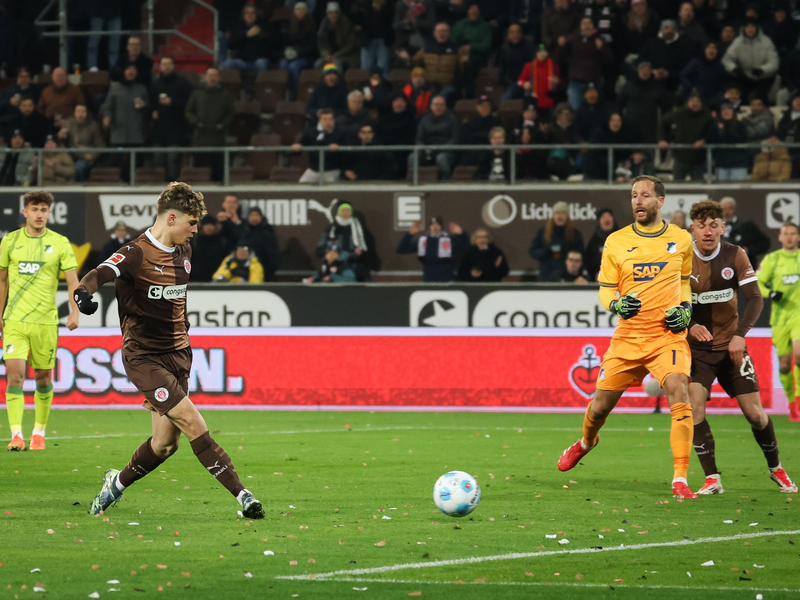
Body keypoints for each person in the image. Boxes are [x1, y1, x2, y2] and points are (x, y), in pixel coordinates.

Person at [73, 182, 265, 519]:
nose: (195, 230)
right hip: (144, 356)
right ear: (171, 218)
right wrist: (83, 294)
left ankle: (115, 484)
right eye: (192, 223)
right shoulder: (136, 252)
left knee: (164, 445)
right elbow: (99, 273)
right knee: (192, 421)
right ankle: (244, 496)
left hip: (179, 354)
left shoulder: (184, 251)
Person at [557, 175, 698, 499]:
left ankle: (680, 478)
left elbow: (685, 281)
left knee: (679, 390)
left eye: (645, 195)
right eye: (634, 195)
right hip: (628, 338)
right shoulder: (616, 241)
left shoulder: (681, 238)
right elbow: (606, 291)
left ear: (660, 201)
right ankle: (586, 442)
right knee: (599, 407)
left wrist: (686, 309)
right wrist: (616, 304)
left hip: (667, 336)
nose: (638, 200)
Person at [687, 200, 798, 494]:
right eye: (702, 226)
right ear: (692, 229)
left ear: (723, 227)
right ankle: (712, 478)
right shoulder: (682, 259)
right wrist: (690, 325)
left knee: (755, 414)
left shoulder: (735, 254)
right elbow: (670, 303)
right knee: (694, 408)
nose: (708, 231)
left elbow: (756, 298)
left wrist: (740, 335)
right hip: (698, 351)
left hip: (731, 348)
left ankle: (776, 468)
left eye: (713, 225)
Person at [2, 191, 80, 451]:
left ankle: (38, 433)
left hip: (46, 322)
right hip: (15, 320)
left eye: (43, 210)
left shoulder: (60, 243)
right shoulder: (10, 241)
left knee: (43, 378)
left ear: (49, 213)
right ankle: (16, 435)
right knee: (15, 375)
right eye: (34, 209)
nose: (39, 214)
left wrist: (75, 311)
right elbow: (2, 281)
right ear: (25, 212)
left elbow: (73, 281)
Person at [757, 222, 800, 422]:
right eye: (786, 234)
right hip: (780, 318)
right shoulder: (772, 259)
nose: (789, 237)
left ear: (798, 237)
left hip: (798, 316)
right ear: (780, 237)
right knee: (784, 364)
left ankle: (798, 400)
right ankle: (791, 403)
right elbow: (757, 282)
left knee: (798, 355)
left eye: (793, 233)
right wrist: (771, 293)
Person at [185, 67, 235, 182]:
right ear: (205, 77)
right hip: (200, 138)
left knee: (217, 170)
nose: (213, 78)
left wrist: (223, 125)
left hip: (218, 138)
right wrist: (196, 123)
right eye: (210, 75)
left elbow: (231, 113)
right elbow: (188, 111)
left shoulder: (225, 95)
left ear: (219, 78)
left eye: (215, 75)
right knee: (199, 171)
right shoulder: (197, 94)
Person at [555, 16, 613, 110]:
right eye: (584, 23)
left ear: (593, 25)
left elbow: (609, 60)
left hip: (593, 81)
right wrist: (561, 46)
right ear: (580, 25)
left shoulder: (599, 39)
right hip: (575, 81)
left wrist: (601, 49)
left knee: (593, 110)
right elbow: (558, 58)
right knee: (575, 110)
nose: (587, 26)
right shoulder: (572, 38)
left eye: (589, 23)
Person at [150, 56, 193, 182]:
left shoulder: (182, 83)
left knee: (173, 159)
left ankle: (173, 185)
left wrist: (173, 102)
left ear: (173, 66)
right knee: (158, 158)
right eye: (164, 64)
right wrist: (153, 110)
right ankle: (158, 185)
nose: (166, 67)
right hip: (159, 129)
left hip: (176, 128)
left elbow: (189, 103)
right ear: (160, 66)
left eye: (169, 64)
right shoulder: (155, 83)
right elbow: (150, 101)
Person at [722, 18, 779, 102]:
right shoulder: (738, 42)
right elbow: (726, 60)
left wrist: (762, 70)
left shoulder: (766, 42)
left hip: (764, 78)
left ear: (757, 28)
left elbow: (774, 63)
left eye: (752, 26)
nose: (750, 29)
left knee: (756, 97)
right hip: (745, 77)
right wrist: (734, 68)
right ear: (743, 29)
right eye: (747, 27)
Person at [396, 216, 468, 282]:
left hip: (447, 279)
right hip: (428, 279)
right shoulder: (423, 241)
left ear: (441, 227)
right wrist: (409, 234)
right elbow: (401, 249)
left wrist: (462, 233)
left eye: (437, 225)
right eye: (432, 225)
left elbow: (467, 247)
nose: (435, 227)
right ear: (429, 227)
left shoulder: (449, 240)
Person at [658, 93, 712, 181]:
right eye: (692, 101)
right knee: (677, 183)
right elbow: (663, 122)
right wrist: (662, 139)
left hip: (699, 158)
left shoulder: (707, 116)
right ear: (687, 102)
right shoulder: (678, 113)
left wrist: (704, 140)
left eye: (698, 101)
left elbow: (712, 132)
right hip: (680, 156)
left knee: (698, 184)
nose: (695, 103)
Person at [529, 201, 585, 281]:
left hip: (568, 278)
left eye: (563, 214)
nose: (560, 216)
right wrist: (547, 250)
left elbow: (581, 255)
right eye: (557, 213)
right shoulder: (543, 232)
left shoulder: (575, 234)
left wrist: (566, 251)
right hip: (546, 276)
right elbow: (533, 251)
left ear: (567, 216)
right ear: (553, 216)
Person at [411, 95, 460, 180]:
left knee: (441, 158)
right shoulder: (424, 120)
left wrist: (443, 148)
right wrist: (424, 148)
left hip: (446, 151)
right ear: (431, 106)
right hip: (427, 150)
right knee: (413, 157)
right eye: (436, 104)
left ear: (445, 107)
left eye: (442, 105)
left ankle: (445, 181)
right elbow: (419, 139)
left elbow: (455, 139)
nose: (439, 107)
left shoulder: (452, 120)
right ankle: (413, 181)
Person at [292, 107, 345, 183]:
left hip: (331, 170)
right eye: (325, 119)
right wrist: (297, 147)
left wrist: (339, 148)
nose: (328, 122)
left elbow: (346, 153)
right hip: (314, 170)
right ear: (320, 120)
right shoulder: (311, 132)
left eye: (330, 119)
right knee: (301, 185)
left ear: (334, 120)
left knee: (332, 187)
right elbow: (299, 148)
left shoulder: (341, 133)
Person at [102, 64, 149, 148]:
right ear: (124, 71)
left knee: (135, 155)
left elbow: (149, 108)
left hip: (136, 134)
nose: (131, 71)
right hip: (118, 134)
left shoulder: (142, 88)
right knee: (118, 155)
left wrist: (144, 105)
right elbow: (108, 106)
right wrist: (107, 117)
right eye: (128, 69)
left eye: (134, 69)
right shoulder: (115, 88)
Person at [412, 22, 460, 103]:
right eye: (439, 31)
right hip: (429, 85)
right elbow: (415, 62)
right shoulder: (427, 47)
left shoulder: (456, 48)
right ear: (434, 33)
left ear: (449, 33)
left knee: (441, 97)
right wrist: (407, 59)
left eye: (444, 31)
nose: (442, 34)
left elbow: (462, 68)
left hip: (447, 86)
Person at [719, 197, 770, 268]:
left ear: (734, 208)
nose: (727, 212)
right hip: (721, 266)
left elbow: (764, 242)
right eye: (724, 208)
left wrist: (748, 250)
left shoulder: (746, 225)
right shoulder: (715, 225)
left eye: (730, 208)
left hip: (744, 266)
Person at [280, 2, 317, 100]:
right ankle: (285, 92)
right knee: (283, 64)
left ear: (306, 11)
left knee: (294, 66)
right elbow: (286, 43)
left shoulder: (311, 26)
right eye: (298, 9)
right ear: (294, 12)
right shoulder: (290, 26)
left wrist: (297, 53)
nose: (300, 11)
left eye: (302, 9)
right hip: (292, 55)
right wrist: (288, 52)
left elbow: (312, 47)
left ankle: (297, 94)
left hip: (307, 57)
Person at [511, 44, 561, 115]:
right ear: (536, 53)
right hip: (532, 101)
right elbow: (519, 81)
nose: (542, 54)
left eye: (544, 52)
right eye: (540, 52)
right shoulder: (529, 66)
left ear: (548, 53)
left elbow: (561, 84)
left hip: (549, 102)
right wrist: (524, 84)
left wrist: (558, 81)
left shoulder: (554, 67)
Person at [61, 104, 106, 182]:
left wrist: (92, 155)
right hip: (69, 155)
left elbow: (101, 145)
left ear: (86, 113)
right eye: (78, 111)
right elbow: (63, 142)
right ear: (74, 113)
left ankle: (81, 186)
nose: (80, 114)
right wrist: (61, 137)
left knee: (78, 168)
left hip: (85, 156)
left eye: (83, 111)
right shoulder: (68, 124)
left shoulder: (93, 126)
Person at [706, 102, 749, 181]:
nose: (726, 112)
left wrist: (724, 131)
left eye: (729, 109)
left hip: (738, 163)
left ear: (733, 112)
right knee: (722, 187)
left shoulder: (741, 125)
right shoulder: (715, 126)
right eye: (724, 110)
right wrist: (715, 124)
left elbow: (741, 139)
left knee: (737, 187)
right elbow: (710, 140)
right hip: (721, 164)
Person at [223, 4, 272, 72]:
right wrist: (246, 35)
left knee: (260, 63)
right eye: (247, 13)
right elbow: (230, 44)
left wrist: (261, 33)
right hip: (243, 62)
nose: (250, 15)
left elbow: (272, 42)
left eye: (252, 13)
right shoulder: (238, 27)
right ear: (243, 15)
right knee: (228, 64)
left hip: (260, 59)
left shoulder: (263, 25)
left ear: (256, 15)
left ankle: (263, 79)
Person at [316, 2, 360, 71]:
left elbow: (350, 45)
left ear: (339, 14)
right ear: (327, 14)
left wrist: (337, 54)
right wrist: (326, 54)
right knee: (318, 63)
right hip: (330, 55)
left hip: (347, 55)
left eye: (335, 13)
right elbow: (321, 44)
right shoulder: (323, 26)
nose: (333, 15)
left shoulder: (346, 24)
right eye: (330, 13)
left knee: (337, 63)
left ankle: (338, 78)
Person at [240, 207, 281, 281]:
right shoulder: (243, 231)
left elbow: (272, 254)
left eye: (257, 215)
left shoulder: (267, 232)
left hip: (264, 271)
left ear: (261, 217)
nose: (254, 218)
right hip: (243, 271)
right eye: (252, 215)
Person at [190, 215, 229, 282]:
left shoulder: (222, 242)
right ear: (202, 226)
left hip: (216, 279)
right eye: (206, 225)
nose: (209, 228)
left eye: (211, 225)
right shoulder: (195, 241)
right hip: (196, 279)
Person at [585, 208, 618, 280]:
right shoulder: (594, 241)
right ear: (599, 221)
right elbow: (589, 261)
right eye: (603, 217)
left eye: (609, 216)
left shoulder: (621, 237)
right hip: (600, 278)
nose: (606, 219)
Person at [777, 94, 800, 179]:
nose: (798, 102)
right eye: (796, 100)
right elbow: (779, 133)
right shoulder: (785, 118)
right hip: (784, 148)